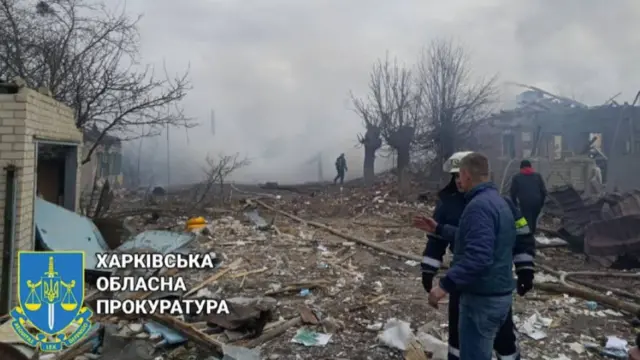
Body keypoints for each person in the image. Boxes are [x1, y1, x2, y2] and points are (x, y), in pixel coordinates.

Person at [414, 151, 534, 360]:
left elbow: (488, 251)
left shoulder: (478, 205)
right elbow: (451, 240)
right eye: (454, 176)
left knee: (498, 339)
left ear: (467, 174)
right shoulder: (489, 201)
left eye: (459, 175)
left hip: (479, 288)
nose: (457, 181)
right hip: (491, 287)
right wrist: (430, 261)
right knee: (460, 340)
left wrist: (525, 269)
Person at [510, 160, 547, 234]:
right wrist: (541, 204)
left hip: (524, 204)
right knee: (533, 221)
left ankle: (524, 239)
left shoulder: (517, 177)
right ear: (531, 167)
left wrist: (515, 206)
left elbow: (512, 193)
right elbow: (544, 192)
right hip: (536, 204)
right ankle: (532, 236)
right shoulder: (537, 176)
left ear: (521, 168)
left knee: (522, 223)